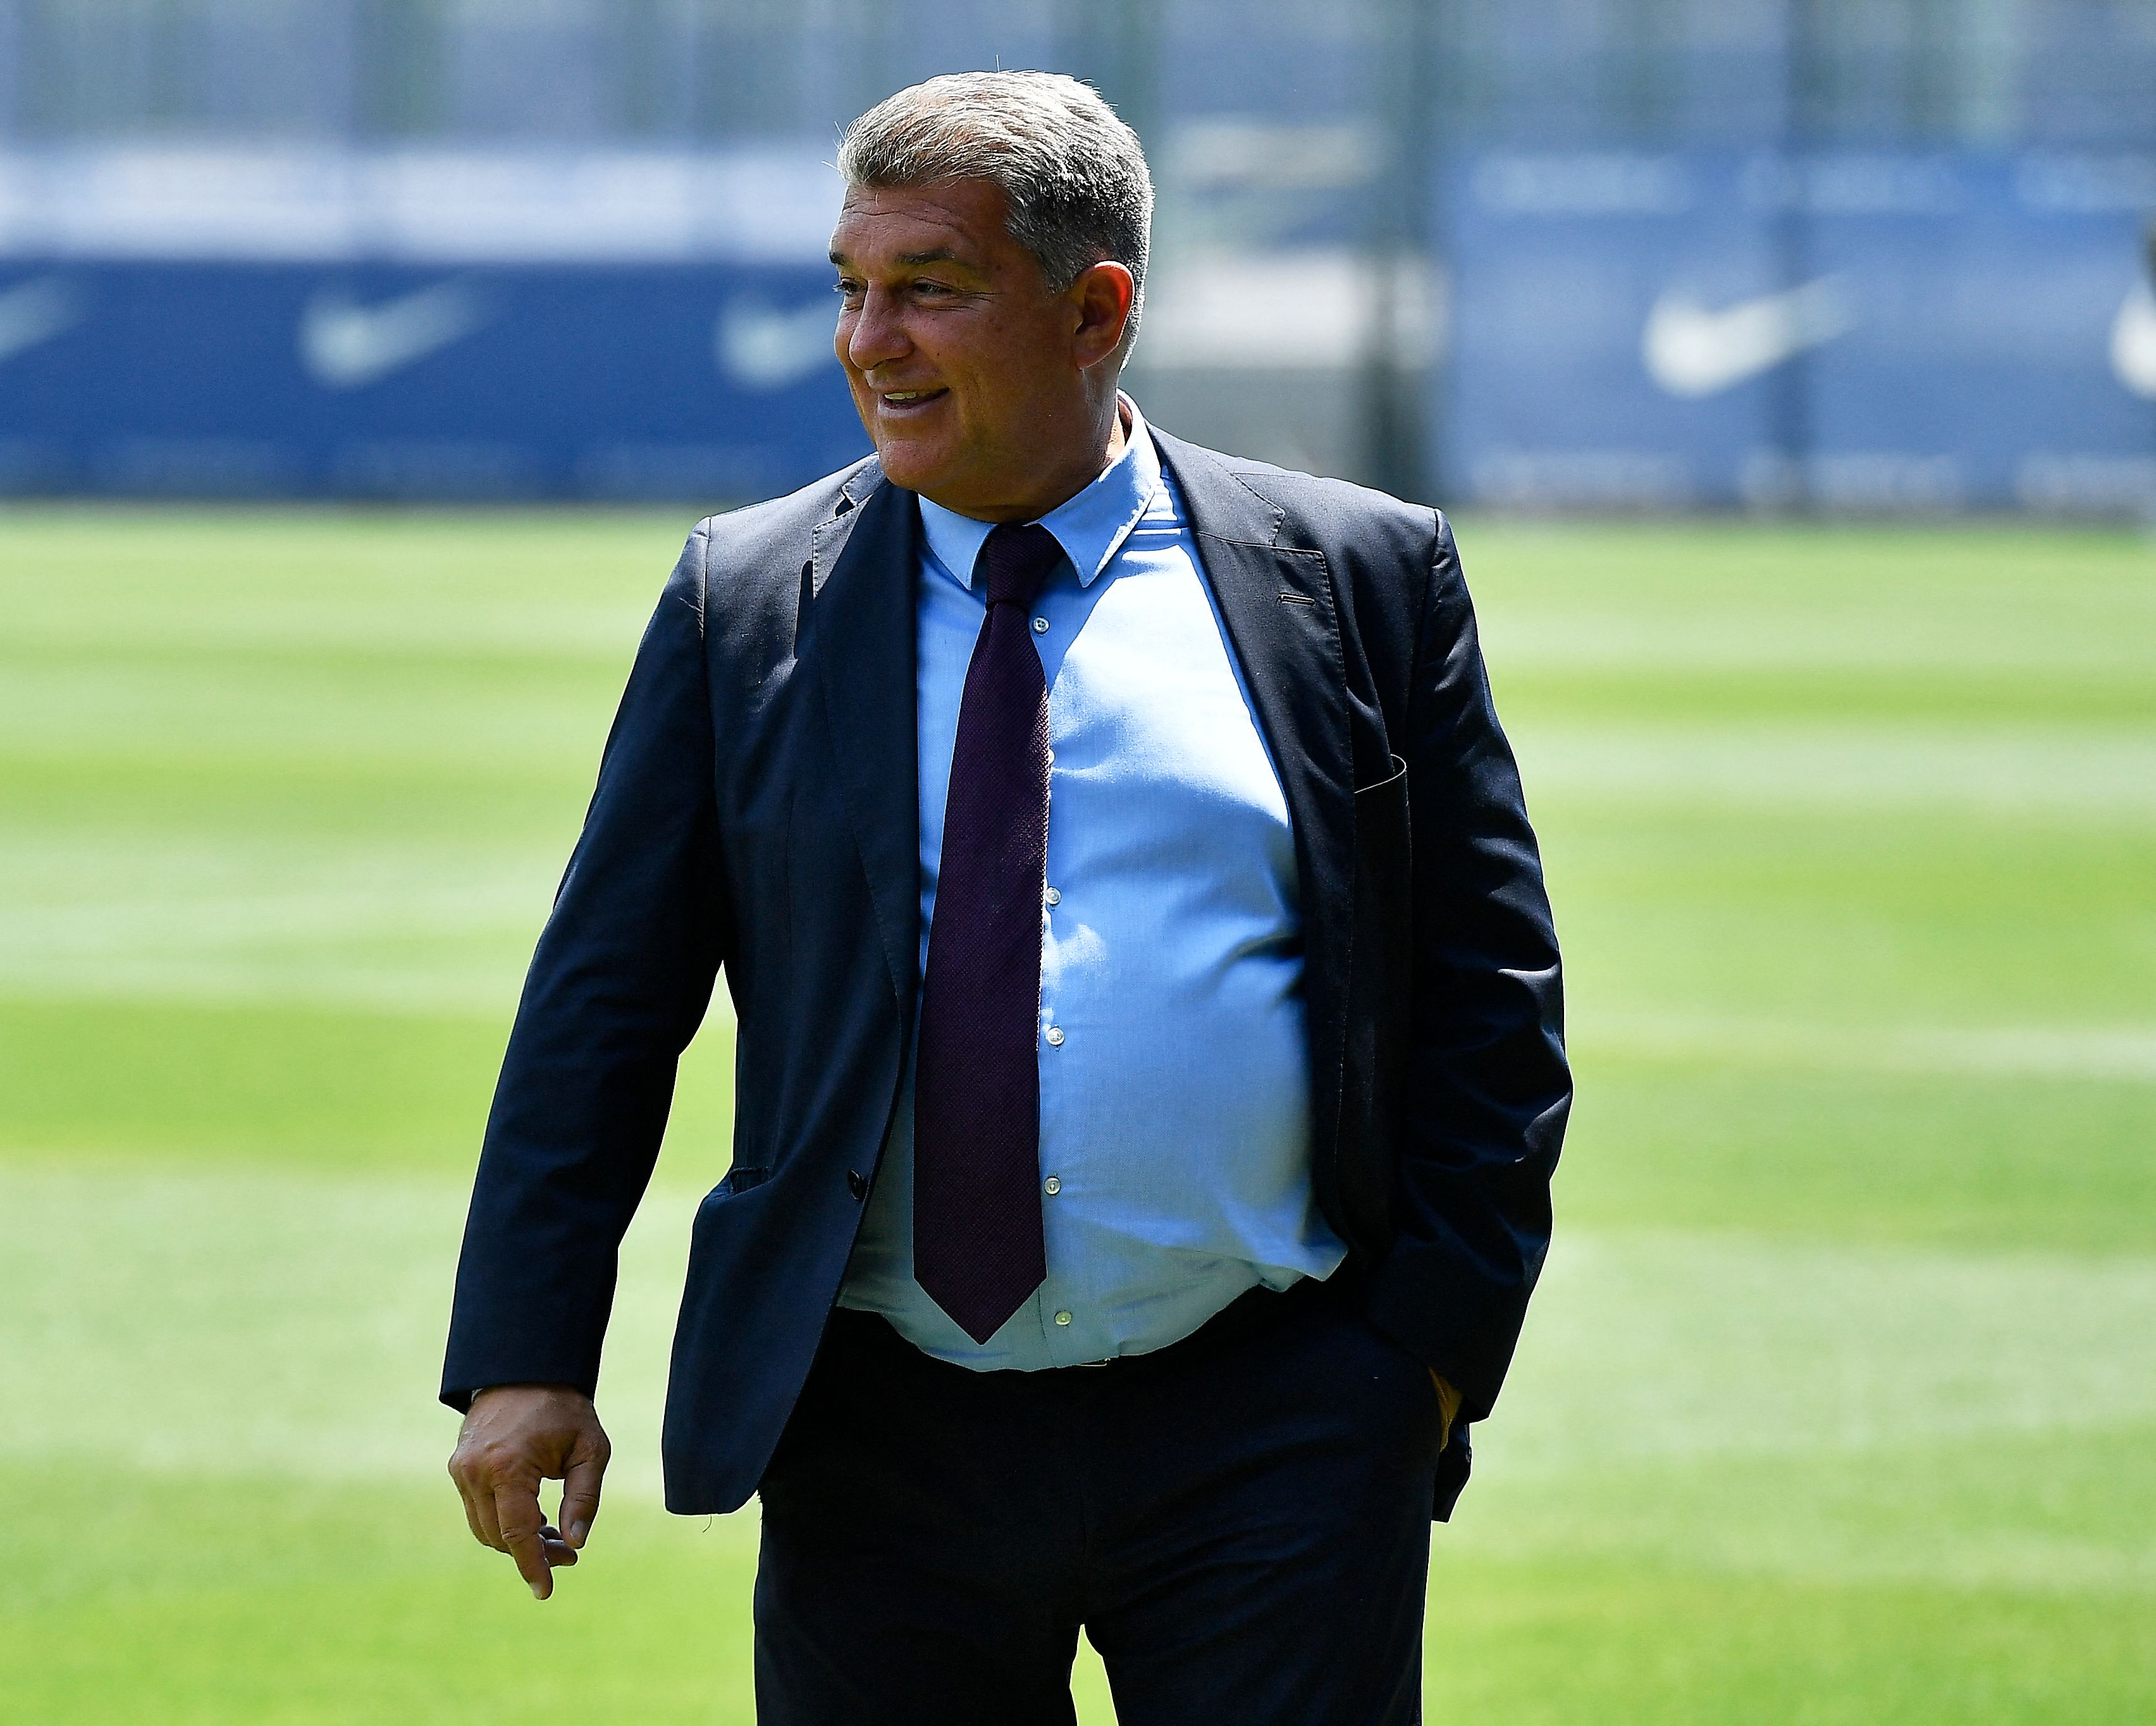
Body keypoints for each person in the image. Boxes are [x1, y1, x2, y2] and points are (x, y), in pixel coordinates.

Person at [444, 70, 1569, 1724]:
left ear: (1095, 306)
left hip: (1277, 1425)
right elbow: (601, 1003)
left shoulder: (1362, 579)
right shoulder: (743, 601)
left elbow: (1493, 1003)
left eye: (930, 290)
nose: (867, 341)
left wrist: (1424, 1361)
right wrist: (526, 1350)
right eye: (851, 286)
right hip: (881, 1438)